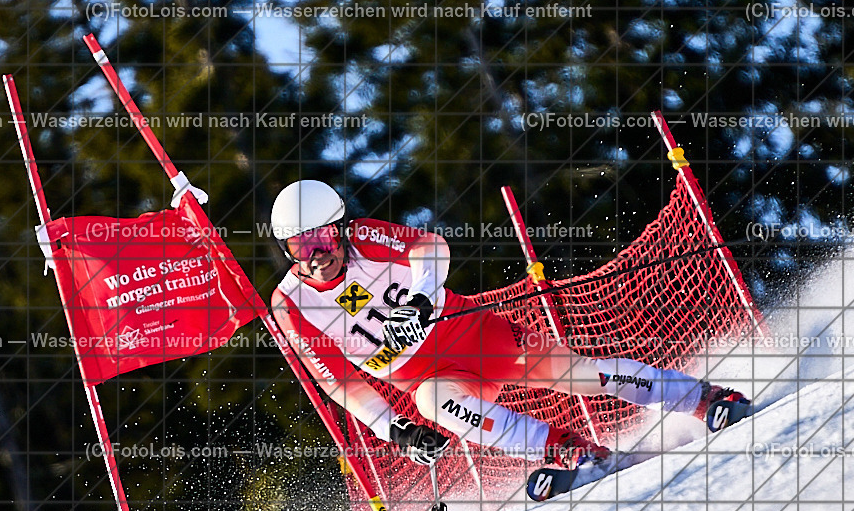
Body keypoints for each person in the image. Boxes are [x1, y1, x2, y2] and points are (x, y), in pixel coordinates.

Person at [269, 180, 747, 469]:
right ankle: (570, 451)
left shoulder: (365, 238)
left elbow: (431, 247)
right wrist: (395, 431)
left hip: (476, 336)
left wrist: (420, 301)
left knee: (580, 374)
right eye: (300, 247)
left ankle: (704, 398)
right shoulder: (291, 306)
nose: (317, 255)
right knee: (434, 404)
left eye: (323, 238)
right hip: (431, 376)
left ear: (340, 227)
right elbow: (340, 381)